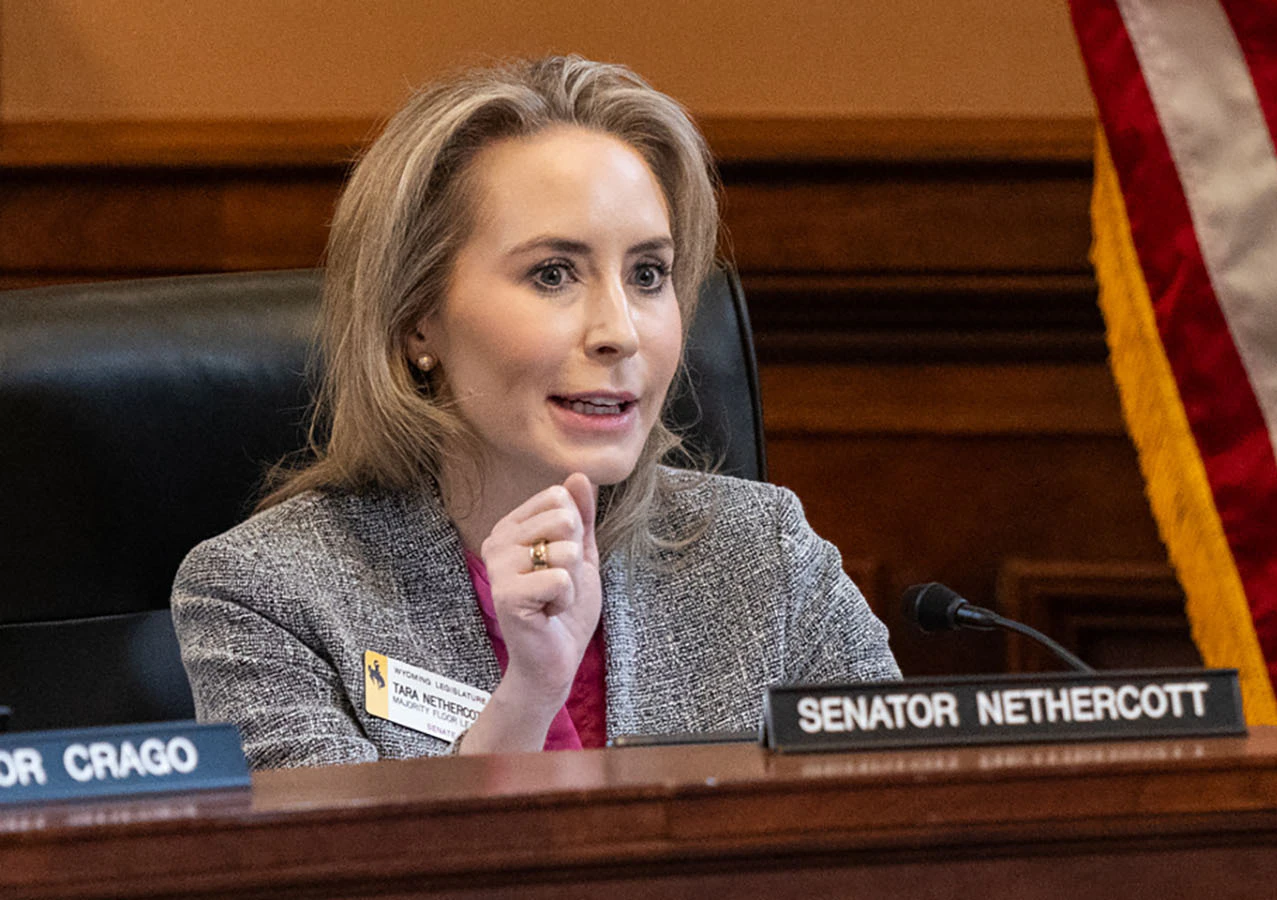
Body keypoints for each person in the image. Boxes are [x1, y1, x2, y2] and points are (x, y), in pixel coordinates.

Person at [171, 56, 899, 770]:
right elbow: (333, 873)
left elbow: (903, 826)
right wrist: (528, 698)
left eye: (649, 274)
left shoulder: (764, 555)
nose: (619, 329)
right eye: (553, 274)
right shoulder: (269, 593)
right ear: (417, 316)